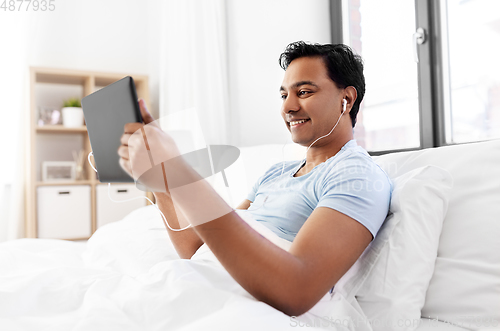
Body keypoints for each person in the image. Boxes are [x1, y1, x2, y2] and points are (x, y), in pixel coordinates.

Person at [118, 41, 392, 317]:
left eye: (304, 92)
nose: (289, 107)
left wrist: (179, 172)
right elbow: (200, 248)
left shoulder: (358, 176)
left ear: (347, 99)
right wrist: (162, 179)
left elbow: (297, 289)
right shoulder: (276, 172)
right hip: (204, 286)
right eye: (284, 95)